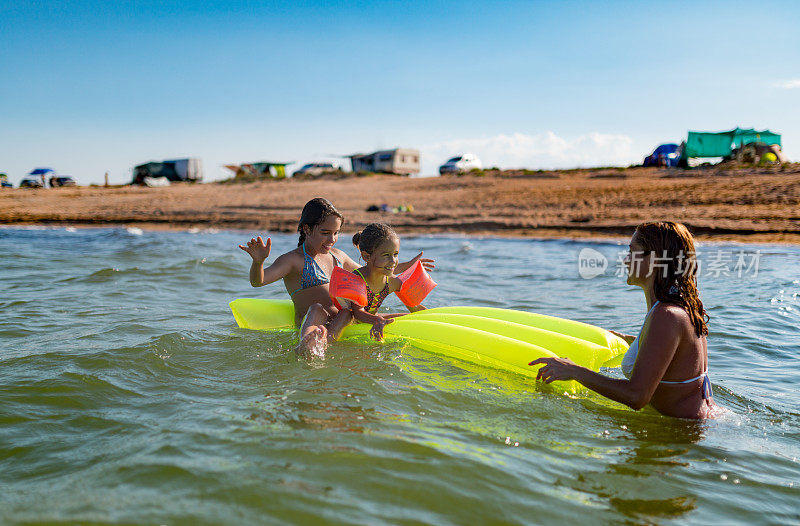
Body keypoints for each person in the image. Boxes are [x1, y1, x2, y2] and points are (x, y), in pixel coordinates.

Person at [531, 221, 717, 419]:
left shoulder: (667, 316)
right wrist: (625, 339)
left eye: (632, 252)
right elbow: (673, 355)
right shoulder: (681, 308)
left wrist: (574, 371)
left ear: (653, 259)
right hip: (699, 431)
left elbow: (636, 396)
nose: (626, 261)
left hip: (684, 434)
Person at [238, 198, 433, 355]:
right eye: (325, 232)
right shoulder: (293, 260)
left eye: (336, 233)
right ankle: (307, 346)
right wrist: (258, 262)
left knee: (350, 312)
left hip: (345, 320)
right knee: (317, 308)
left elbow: (372, 271)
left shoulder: (338, 256)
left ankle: (428, 320)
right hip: (315, 320)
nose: (331, 239)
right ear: (307, 229)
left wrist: (407, 266)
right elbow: (258, 281)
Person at [342, 223, 429, 341]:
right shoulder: (358, 279)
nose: (393, 260)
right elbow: (358, 313)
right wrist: (377, 320)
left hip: (375, 319)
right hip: (348, 323)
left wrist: (432, 317)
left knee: (412, 318)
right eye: (386, 255)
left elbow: (414, 307)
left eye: (395, 254)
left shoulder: (392, 282)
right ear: (366, 257)